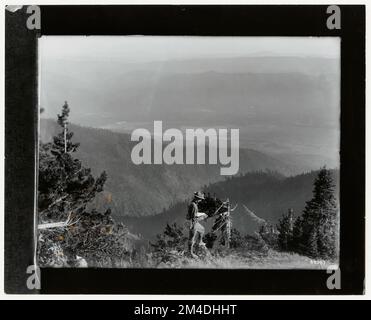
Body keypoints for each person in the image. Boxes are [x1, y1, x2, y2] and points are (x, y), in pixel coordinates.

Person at [187, 191, 208, 258]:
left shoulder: (194, 204)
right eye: (200, 199)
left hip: (194, 222)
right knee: (191, 237)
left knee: (202, 229)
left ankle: (199, 242)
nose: (200, 200)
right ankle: (190, 252)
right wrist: (202, 215)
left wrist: (203, 215)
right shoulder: (193, 205)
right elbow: (193, 216)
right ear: (197, 198)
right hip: (192, 222)